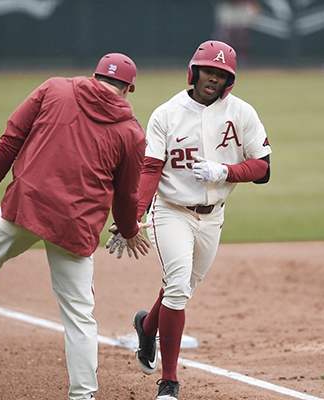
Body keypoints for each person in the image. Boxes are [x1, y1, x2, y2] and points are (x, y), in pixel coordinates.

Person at [0, 53, 151, 400]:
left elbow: (9, 142)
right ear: (128, 89)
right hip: (76, 227)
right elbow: (125, 196)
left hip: (25, 206)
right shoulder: (131, 133)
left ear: (95, 76)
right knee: (79, 314)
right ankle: (83, 394)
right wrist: (129, 229)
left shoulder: (54, 88)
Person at [106, 40, 271, 400]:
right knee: (178, 286)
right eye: (209, 70)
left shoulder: (242, 113)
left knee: (181, 289)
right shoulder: (167, 114)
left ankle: (147, 327)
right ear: (194, 71)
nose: (213, 78)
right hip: (170, 211)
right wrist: (133, 215)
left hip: (213, 217)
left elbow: (263, 168)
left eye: (222, 73)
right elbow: (150, 169)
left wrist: (225, 171)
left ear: (229, 79)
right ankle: (169, 382)